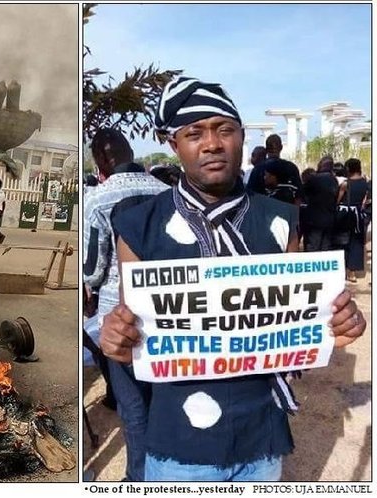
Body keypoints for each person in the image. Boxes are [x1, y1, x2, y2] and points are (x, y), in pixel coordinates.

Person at [100, 75, 366, 481]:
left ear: (241, 136)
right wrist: (117, 338)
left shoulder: (279, 219)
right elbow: (134, 334)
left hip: (261, 439)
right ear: (174, 144)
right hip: (178, 445)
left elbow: (299, 321)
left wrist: (337, 325)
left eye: (224, 129)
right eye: (194, 133)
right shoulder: (140, 225)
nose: (212, 143)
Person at [83, 128, 169, 481]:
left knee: (133, 408)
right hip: (165, 313)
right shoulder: (168, 193)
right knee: (161, 401)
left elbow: (92, 268)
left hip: (117, 318)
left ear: (102, 161)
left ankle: (138, 478)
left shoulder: (98, 199)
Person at [337, 158, 369, 283]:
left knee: (343, 242)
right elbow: (365, 201)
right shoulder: (365, 183)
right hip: (359, 216)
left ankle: (343, 270)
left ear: (348, 169)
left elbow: (337, 200)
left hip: (345, 214)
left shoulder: (346, 184)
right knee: (357, 243)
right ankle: (353, 272)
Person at [248, 135, 301, 203]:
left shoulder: (258, 169)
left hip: (264, 211)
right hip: (286, 211)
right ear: (281, 147)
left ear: (266, 150)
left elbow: (251, 196)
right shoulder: (292, 168)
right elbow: (298, 196)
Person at [302, 156, 339, 252]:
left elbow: (303, 193)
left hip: (315, 220)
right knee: (325, 247)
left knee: (313, 247)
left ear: (321, 165)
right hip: (329, 219)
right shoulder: (334, 180)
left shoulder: (314, 179)